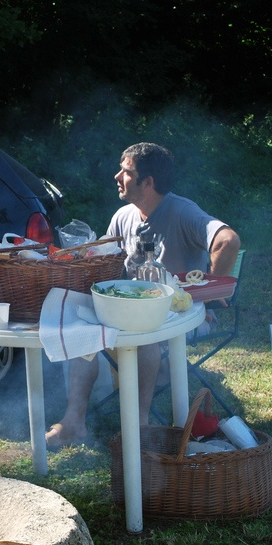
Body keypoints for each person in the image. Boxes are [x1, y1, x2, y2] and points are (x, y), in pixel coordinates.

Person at [45, 142, 241, 447]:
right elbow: (103, 261)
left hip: (181, 315)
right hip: (133, 311)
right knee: (82, 330)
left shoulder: (182, 211)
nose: (117, 176)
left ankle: (139, 426)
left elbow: (228, 241)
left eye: (127, 171)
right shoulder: (124, 216)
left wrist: (209, 292)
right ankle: (73, 421)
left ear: (148, 183)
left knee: (145, 336)